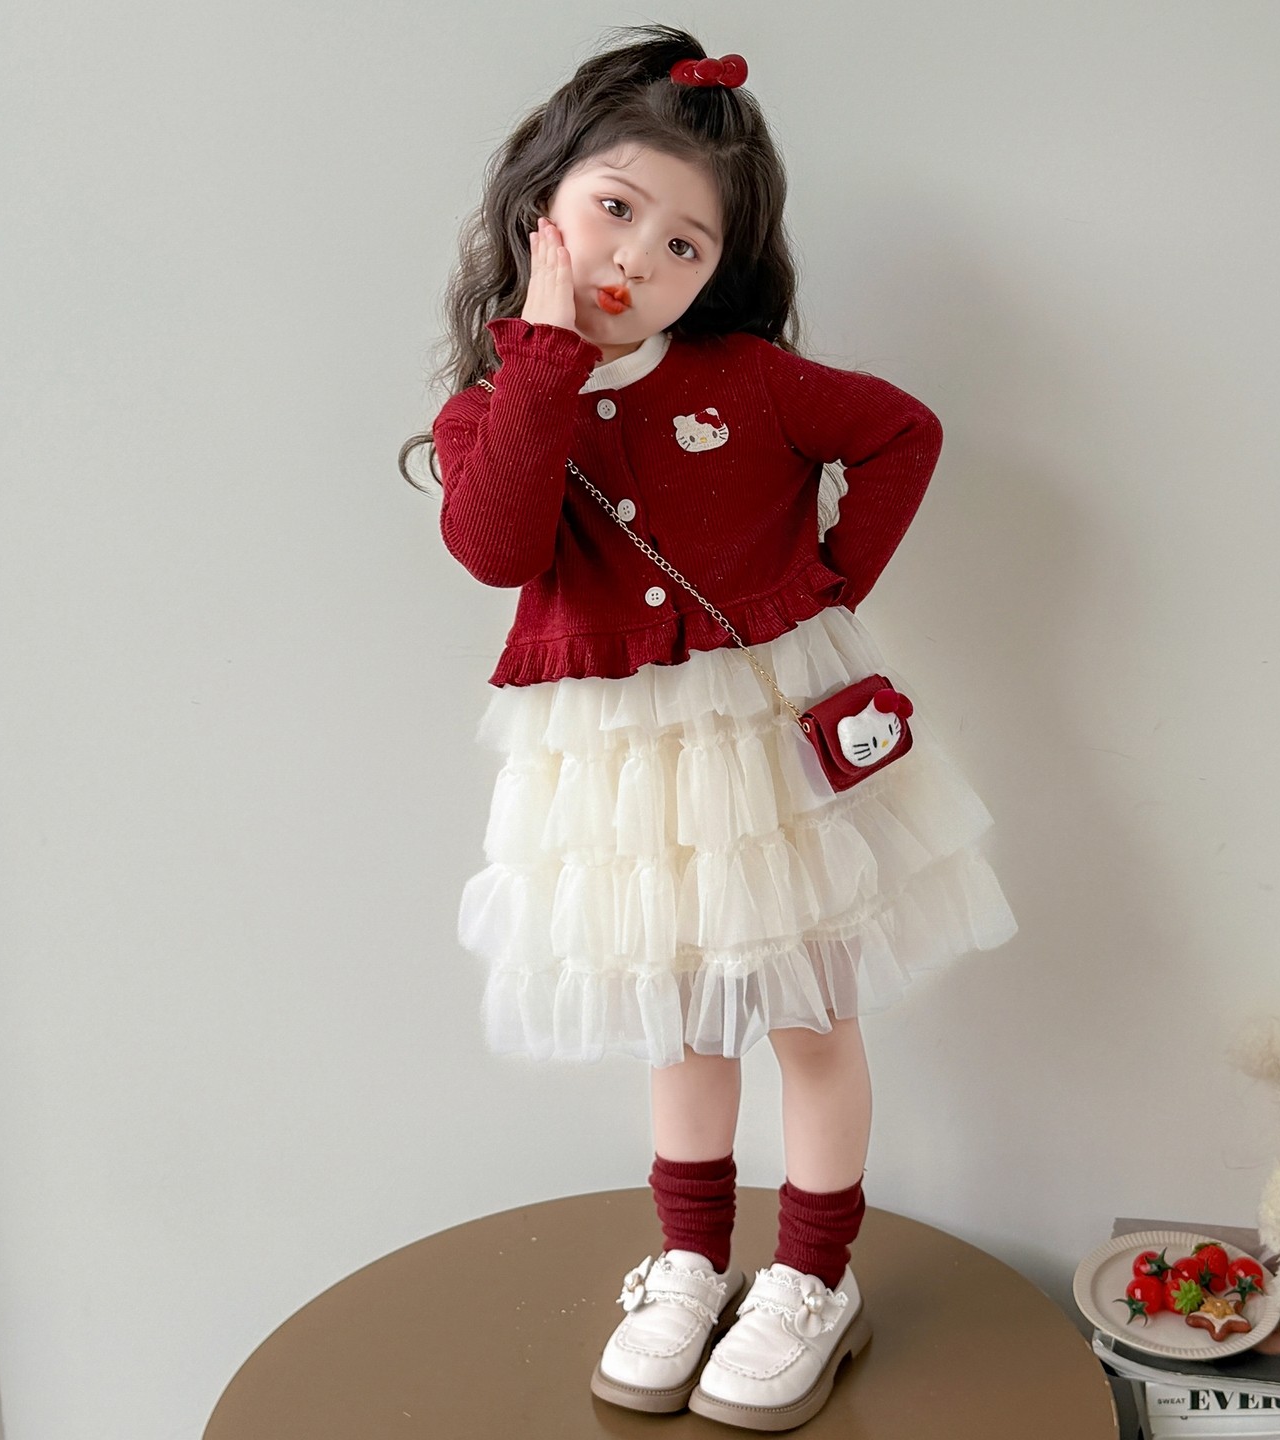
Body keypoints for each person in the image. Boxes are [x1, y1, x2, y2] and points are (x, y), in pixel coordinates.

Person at [400, 24, 1016, 1431]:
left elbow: (901, 432)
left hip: (770, 737)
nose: (638, 258)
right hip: (625, 770)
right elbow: (497, 548)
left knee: (810, 1012)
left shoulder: (750, 378)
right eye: (615, 208)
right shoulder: (495, 408)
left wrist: (831, 587)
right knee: (681, 1016)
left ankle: (813, 1279)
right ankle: (689, 1261)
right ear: (540, 208)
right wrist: (546, 353)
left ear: (720, 271)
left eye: (684, 245)